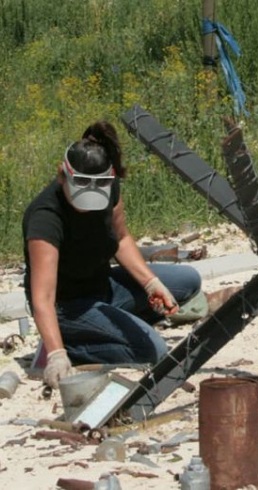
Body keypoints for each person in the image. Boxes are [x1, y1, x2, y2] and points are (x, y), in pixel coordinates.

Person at [22, 121, 205, 389]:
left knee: (188, 281)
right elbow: (43, 297)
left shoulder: (109, 190)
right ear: (63, 175)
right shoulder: (45, 218)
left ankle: (108, 328)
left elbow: (120, 238)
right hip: (67, 307)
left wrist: (151, 283)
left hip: (103, 287)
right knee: (152, 351)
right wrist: (57, 356)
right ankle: (66, 346)